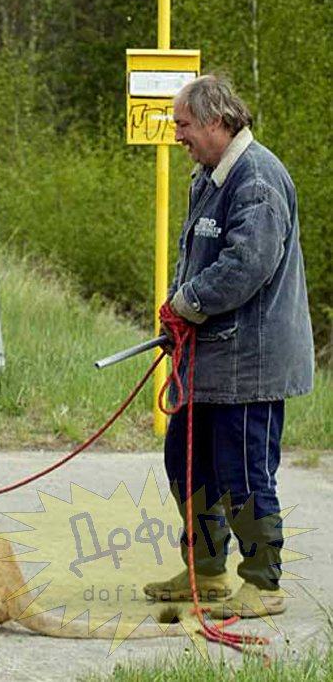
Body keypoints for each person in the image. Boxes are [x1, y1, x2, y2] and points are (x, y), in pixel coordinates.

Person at [143, 74, 314, 618]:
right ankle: (208, 570)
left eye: (184, 125)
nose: (178, 136)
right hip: (211, 359)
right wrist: (178, 309)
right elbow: (196, 256)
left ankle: (263, 581)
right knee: (185, 463)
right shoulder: (209, 176)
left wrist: (185, 303)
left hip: (251, 364)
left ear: (217, 121)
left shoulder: (257, 178)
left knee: (243, 470)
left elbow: (246, 266)